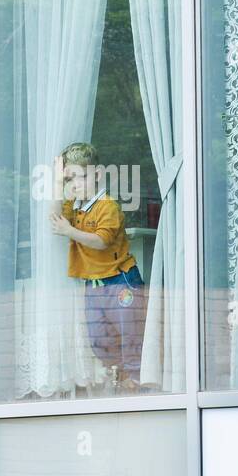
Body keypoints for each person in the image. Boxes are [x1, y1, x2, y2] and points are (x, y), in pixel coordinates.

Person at [49, 142, 147, 393]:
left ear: (97, 174)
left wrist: (70, 231)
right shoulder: (75, 206)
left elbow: (102, 240)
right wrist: (57, 183)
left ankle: (135, 382)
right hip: (93, 284)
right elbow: (55, 216)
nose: (75, 184)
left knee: (130, 335)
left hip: (120, 280)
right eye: (70, 179)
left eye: (80, 177)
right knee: (98, 339)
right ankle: (120, 377)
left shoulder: (107, 206)